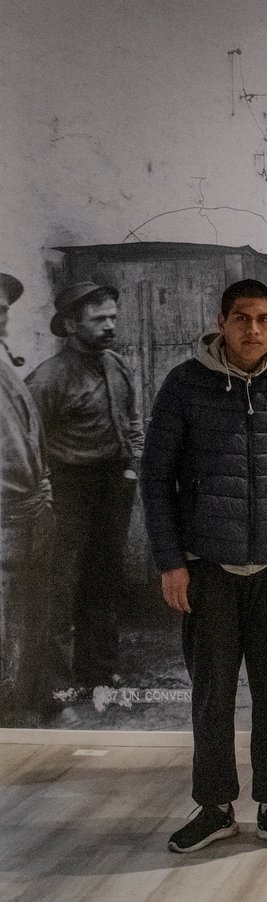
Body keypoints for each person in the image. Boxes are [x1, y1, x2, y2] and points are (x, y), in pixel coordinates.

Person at [141, 278, 267, 855]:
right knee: (212, 693)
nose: (254, 330)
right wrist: (172, 562)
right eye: (243, 318)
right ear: (222, 322)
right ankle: (216, 807)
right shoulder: (185, 385)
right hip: (208, 570)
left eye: (265, 319)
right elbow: (155, 479)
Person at [25, 281, 143, 696]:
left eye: (112, 317)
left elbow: (133, 420)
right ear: (72, 323)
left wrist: (132, 464)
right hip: (68, 487)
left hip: (113, 485)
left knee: (105, 577)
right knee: (61, 583)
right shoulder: (48, 378)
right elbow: (27, 441)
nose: (110, 326)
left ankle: (99, 671)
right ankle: (56, 685)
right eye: (99, 319)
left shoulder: (116, 363)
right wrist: (45, 492)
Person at [0, 273, 54, 722]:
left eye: (3, 307)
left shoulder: (3, 363)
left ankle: (24, 707)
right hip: (7, 519)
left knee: (26, 616)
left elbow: (27, 441)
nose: (2, 313)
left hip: (27, 513)